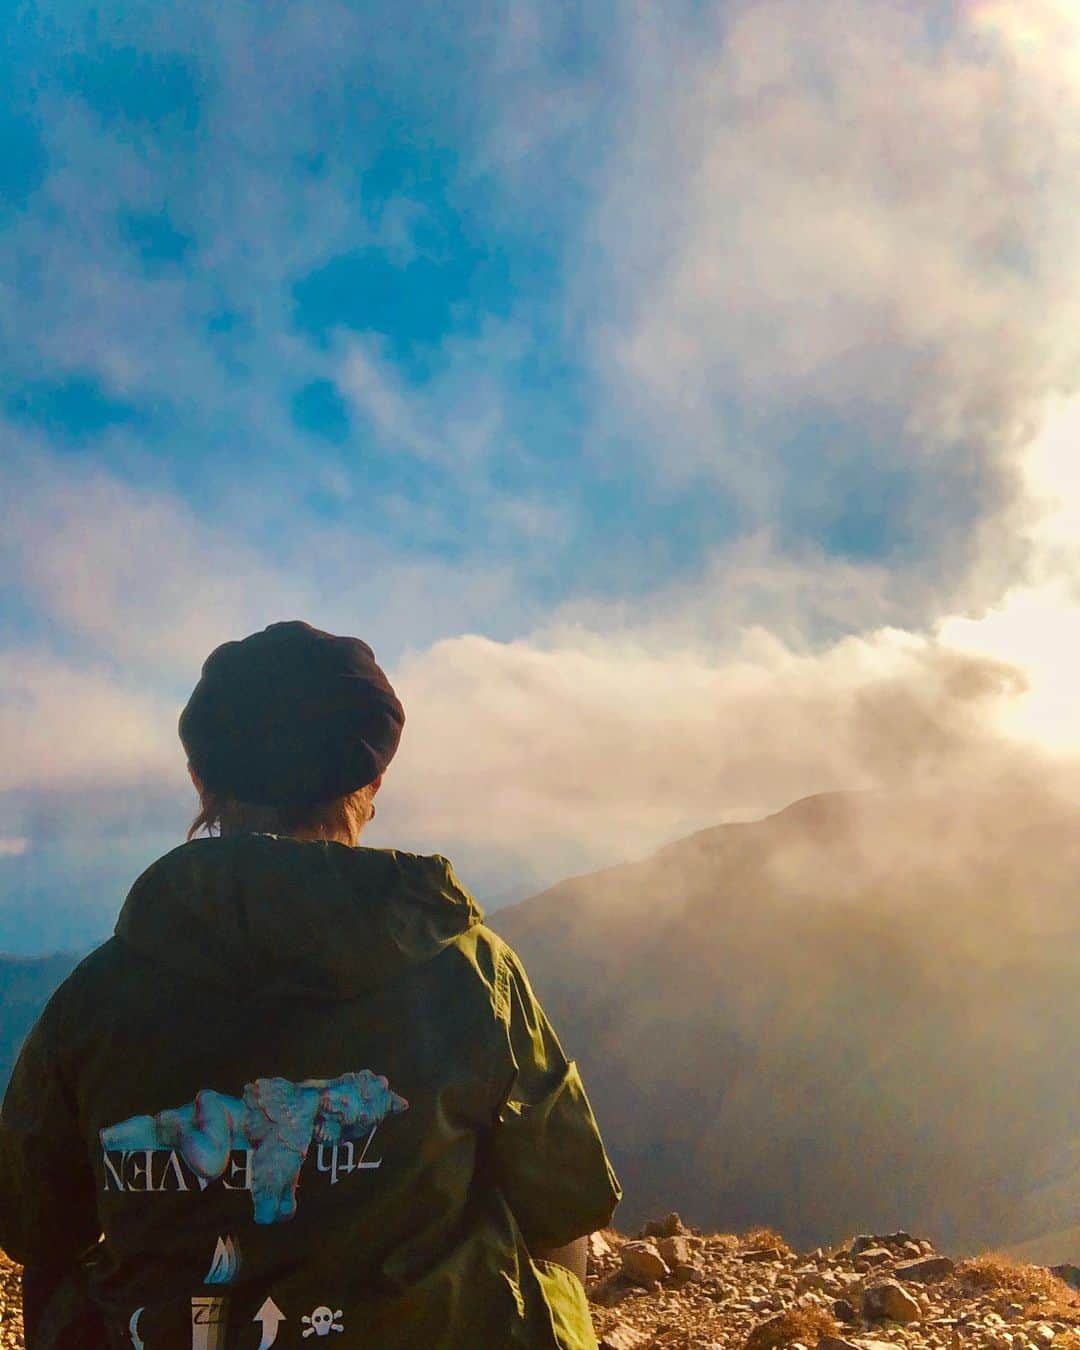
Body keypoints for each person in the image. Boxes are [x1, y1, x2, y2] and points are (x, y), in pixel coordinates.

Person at [0, 620, 621, 1349]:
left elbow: (32, 1222)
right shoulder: (470, 972)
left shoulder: (97, 995)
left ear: (202, 780)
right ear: (373, 781)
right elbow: (568, 1196)